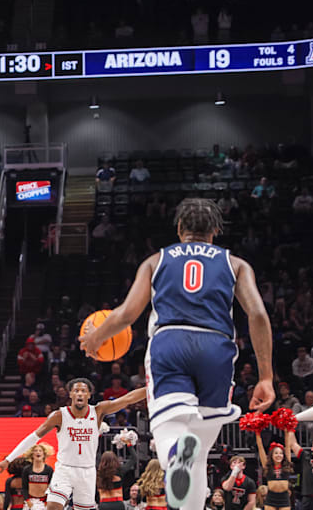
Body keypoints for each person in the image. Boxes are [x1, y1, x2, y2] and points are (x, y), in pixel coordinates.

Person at [81, 198, 275, 510]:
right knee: (198, 452)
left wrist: (95, 338)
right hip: (217, 347)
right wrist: (266, 376)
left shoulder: (156, 261)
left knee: (170, 431)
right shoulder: (236, 264)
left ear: (180, 228)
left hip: (171, 342)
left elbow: (127, 314)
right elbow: (258, 316)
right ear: (215, 230)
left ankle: (174, 452)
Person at [0, 379, 146, 510]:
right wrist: (8, 460)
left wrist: (152, 387)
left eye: (83, 391)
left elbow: (128, 399)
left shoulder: (98, 411)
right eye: (76, 390)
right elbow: (33, 437)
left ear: (89, 395)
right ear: (70, 394)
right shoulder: (59, 415)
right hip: (65, 470)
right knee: (52, 506)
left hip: (87, 472)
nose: (79, 393)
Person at [255, 430, 295, 510]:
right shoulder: (267, 466)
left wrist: (286, 431)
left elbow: (287, 446)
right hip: (271, 498)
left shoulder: (286, 466)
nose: (278, 455)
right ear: (271, 455)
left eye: (280, 453)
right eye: (276, 453)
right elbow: (260, 447)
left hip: (284, 498)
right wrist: (257, 432)